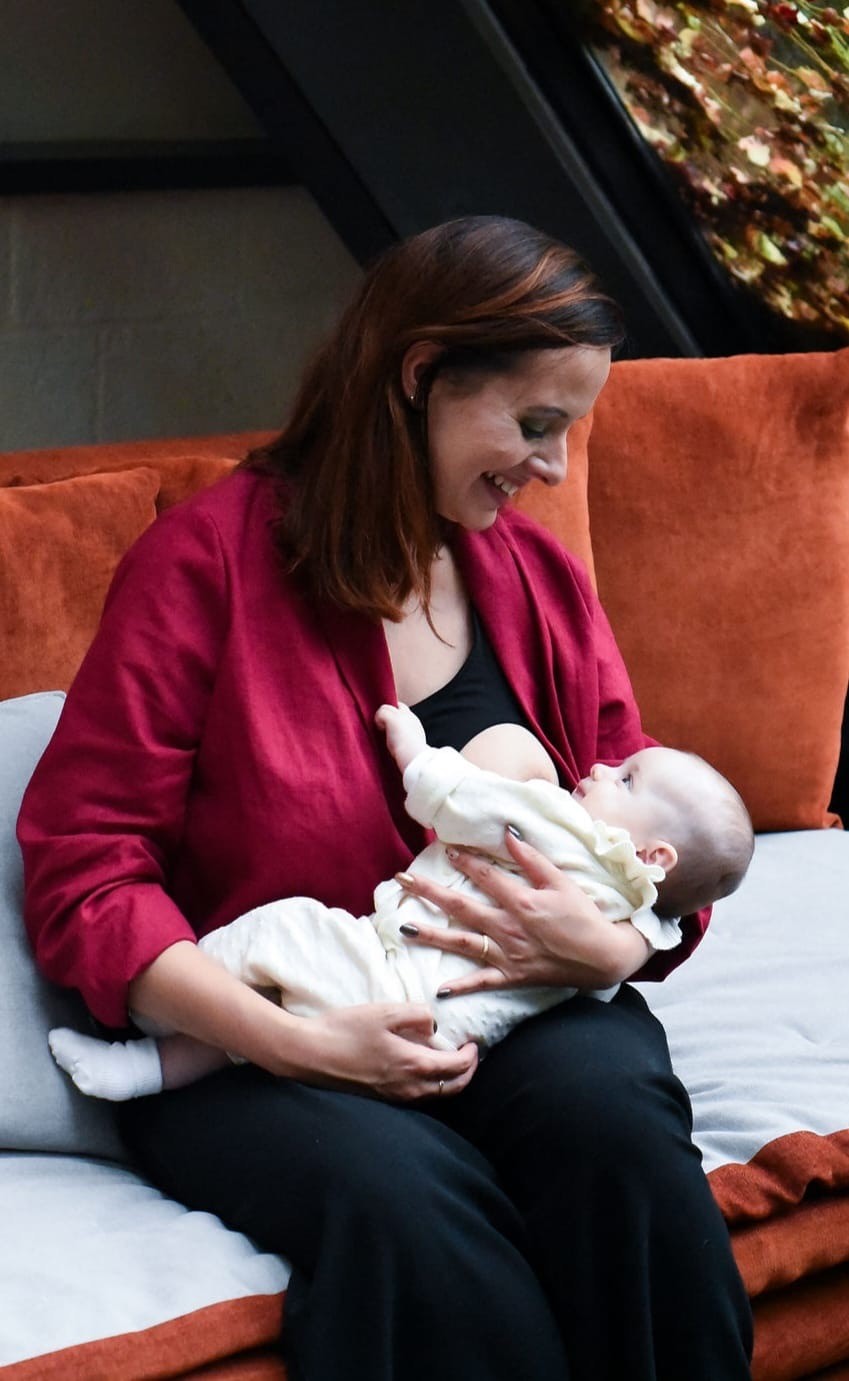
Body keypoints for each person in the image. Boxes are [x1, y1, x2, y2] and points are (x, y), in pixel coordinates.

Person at [18, 215, 753, 1380]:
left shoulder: (538, 579)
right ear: (420, 375)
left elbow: (650, 820)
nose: (554, 470)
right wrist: (294, 1042)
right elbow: (87, 865)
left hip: (519, 1008)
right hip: (260, 1033)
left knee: (622, 1145)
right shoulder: (202, 565)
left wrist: (603, 946)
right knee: (414, 1217)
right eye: (535, 424)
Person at [47, 703, 754, 1101]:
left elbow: (462, 801)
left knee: (282, 935)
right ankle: (158, 1055)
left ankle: (152, 1028)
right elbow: (672, 905)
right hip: (450, 1035)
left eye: (623, 778)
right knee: (286, 1010)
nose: (600, 765)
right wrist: (618, 946)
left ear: (654, 857)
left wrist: (414, 747)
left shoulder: (563, 827)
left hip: (391, 968)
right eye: (533, 429)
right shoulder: (638, 905)